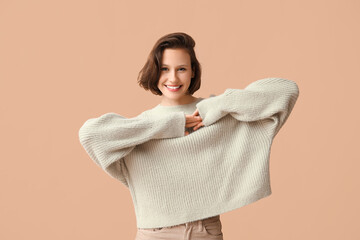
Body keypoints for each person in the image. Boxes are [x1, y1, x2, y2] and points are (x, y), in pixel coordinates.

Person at [78, 32, 300, 240]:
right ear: (154, 71)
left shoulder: (213, 114)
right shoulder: (144, 125)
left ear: (193, 71)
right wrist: (170, 125)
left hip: (205, 231)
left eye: (181, 69)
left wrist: (217, 104)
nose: (173, 78)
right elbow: (90, 134)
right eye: (164, 69)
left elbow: (286, 90)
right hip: (156, 234)